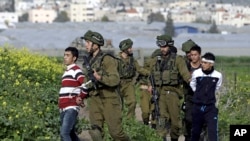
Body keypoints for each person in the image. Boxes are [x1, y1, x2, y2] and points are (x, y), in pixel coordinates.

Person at [81, 30, 130, 141]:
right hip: (95, 98)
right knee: (95, 131)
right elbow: (87, 82)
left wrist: (100, 78)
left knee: (116, 134)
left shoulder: (107, 59)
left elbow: (115, 79)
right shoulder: (89, 61)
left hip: (110, 98)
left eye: (88, 42)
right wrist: (81, 96)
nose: (86, 45)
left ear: (96, 44)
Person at [148, 34, 191, 141]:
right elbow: (151, 75)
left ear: (170, 46)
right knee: (161, 119)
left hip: (173, 93)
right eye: (161, 47)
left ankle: (174, 138)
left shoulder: (178, 60)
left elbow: (186, 75)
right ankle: (161, 138)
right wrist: (150, 85)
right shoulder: (155, 61)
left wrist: (194, 84)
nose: (162, 49)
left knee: (175, 123)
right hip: (160, 93)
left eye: (165, 46)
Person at [190, 52, 222, 141]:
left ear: (211, 64)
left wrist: (209, 96)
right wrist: (198, 93)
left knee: (212, 132)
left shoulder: (218, 75)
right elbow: (192, 84)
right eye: (202, 62)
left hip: (210, 107)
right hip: (198, 106)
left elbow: (217, 88)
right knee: (195, 132)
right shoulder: (196, 73)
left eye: (205, 63)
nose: (202, 64)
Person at [58, 47, 88, 141]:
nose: (65, 57)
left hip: (71, 107)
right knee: (71, 134)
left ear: (74, 58)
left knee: (64, 133)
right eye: (64, 55)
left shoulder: (76, 70)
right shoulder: (67, 71)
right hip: (63, 107)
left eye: (68, 55)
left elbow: (86, 85)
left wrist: (80, 97)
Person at [117, 38, 150, 118]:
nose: (131, 49)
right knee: (118, 104)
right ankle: (118, 121)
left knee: (132, 102)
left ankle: (129, 120)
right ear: (125, 48)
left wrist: (149, 73)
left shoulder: (132, 59)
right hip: (118, 83)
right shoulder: (116, 59)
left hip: (128, 83)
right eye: (129, 48)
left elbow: (139, 69)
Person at [181, 41, 202, 141]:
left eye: (192, 54)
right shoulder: (184, 64)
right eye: (188, 53)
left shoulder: (204, 64)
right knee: (188, 119)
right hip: (188, 95)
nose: (190, 55)